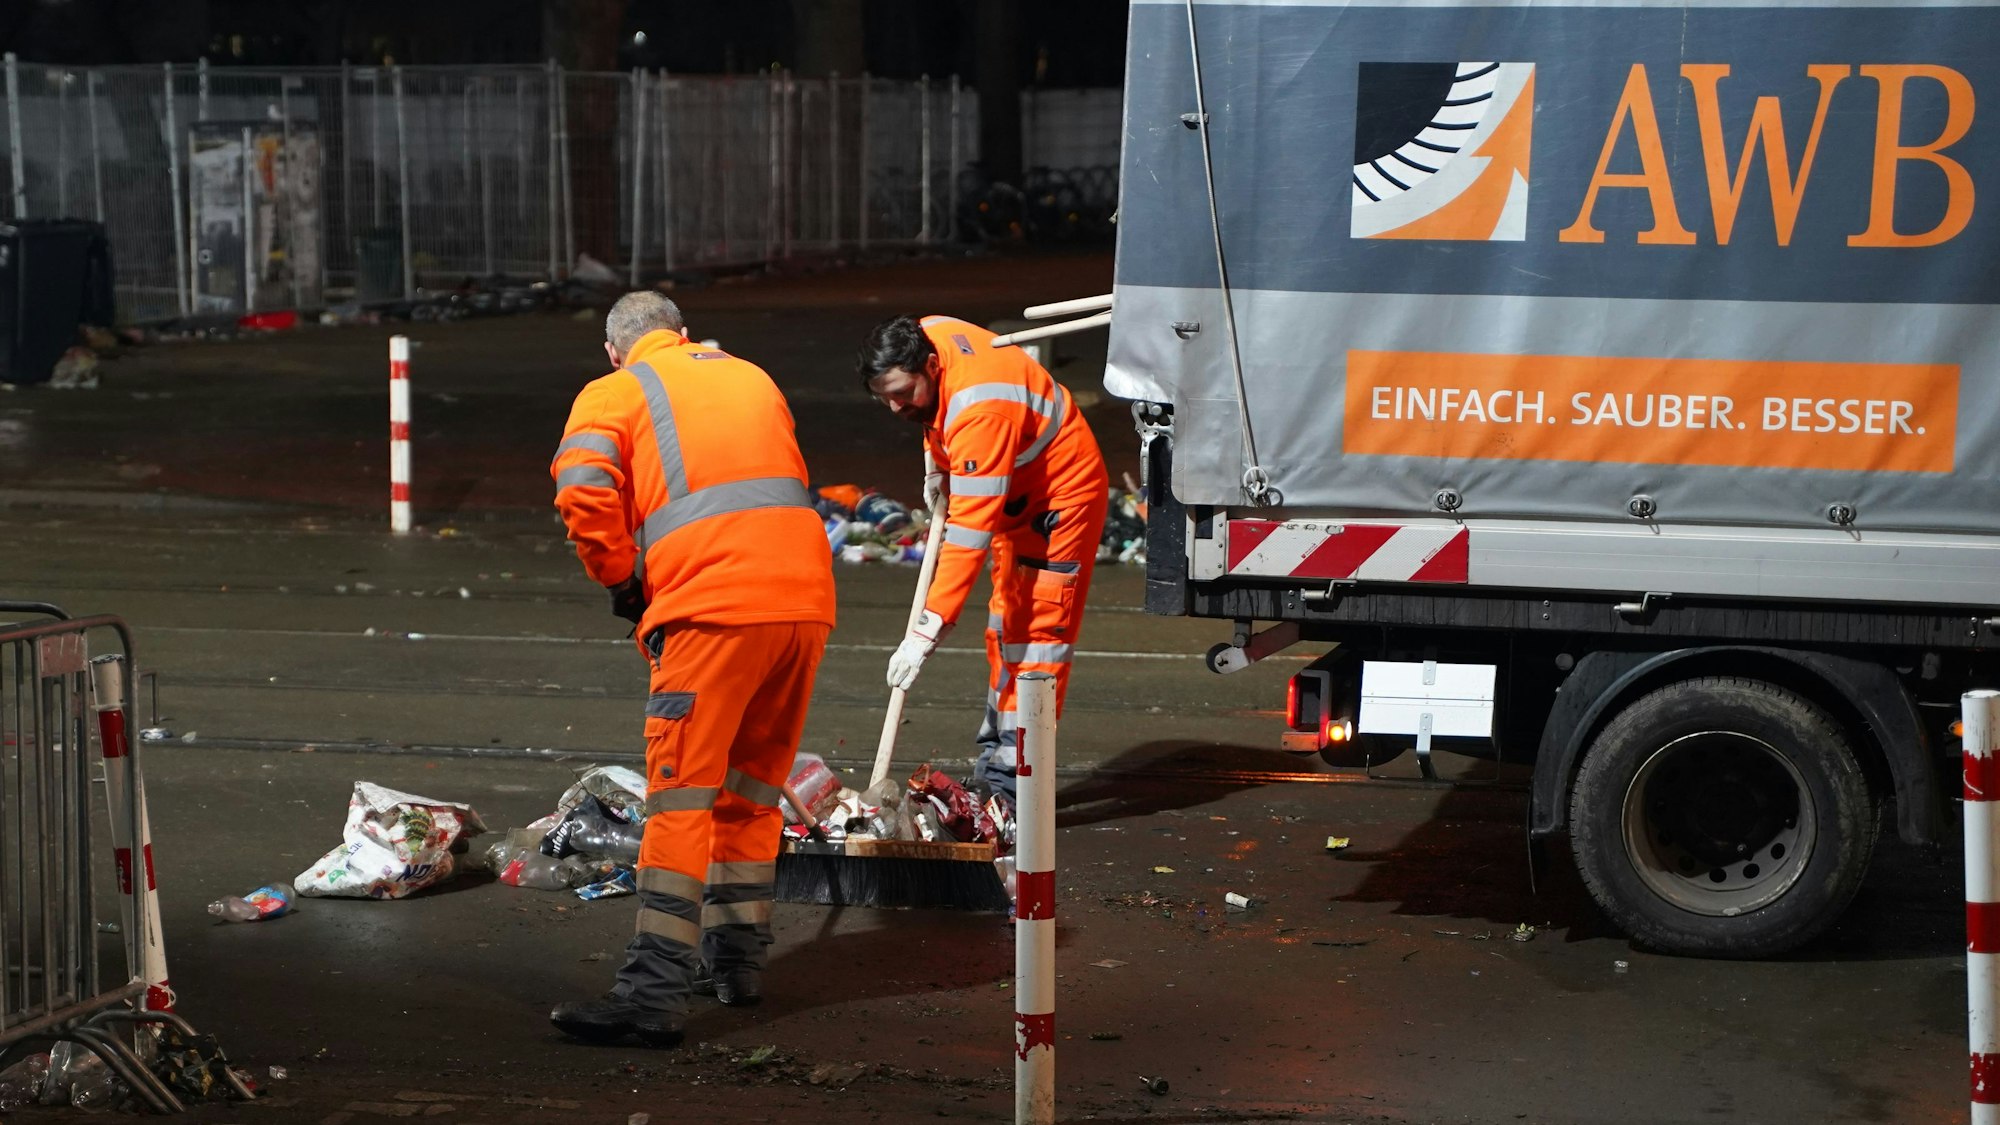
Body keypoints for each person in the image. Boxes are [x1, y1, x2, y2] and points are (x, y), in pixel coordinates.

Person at [548, 292, 835, 1047]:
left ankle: (652, 995)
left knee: (680, 799)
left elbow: (581, 489)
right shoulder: (751, 375)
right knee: (750, 791)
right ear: (682, 333)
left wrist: (620, 579)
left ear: (616, 350)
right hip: (804, 604)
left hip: (713, 608)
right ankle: (737, 965)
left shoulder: (614, 391)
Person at [858, 314, 1108, 800]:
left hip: (1058, 502)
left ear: (930, 365)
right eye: (882, 395)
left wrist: (927, 628)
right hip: (1016, 490)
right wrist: (938, 465)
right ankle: (995, 762)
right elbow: (938, 415)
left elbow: (967, 538)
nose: (894, 406)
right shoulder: (926, 333)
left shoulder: (983, 411)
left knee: (1036, 641)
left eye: (903, 393)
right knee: (1004, 628)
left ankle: (1016, 790)